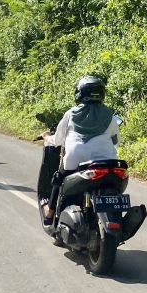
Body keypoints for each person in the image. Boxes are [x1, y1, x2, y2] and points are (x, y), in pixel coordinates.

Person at [39, 75, 120, 219]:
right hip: (107, 162)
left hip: (75, 161)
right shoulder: (110, 116)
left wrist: (46, 137)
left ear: (80, 93)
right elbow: (115, 141)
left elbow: (57, 140)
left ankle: (50, 213)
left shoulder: (70, 114)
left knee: (59, 179)